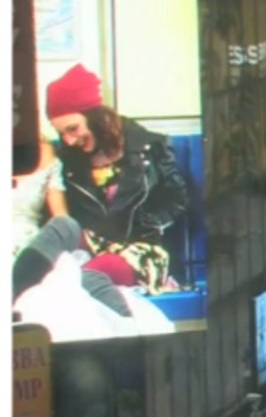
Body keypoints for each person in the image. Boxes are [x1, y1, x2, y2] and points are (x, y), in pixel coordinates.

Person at [47, 64, 191, 298]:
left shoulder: (150, 146)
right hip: (91, 246)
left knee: (85, 279)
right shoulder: (67, 160)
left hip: (140, 249)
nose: (69, 140)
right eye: (62, 133)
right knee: (56, 267)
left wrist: (147, 224)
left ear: (96, 117)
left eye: (73, 129)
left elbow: (178, 200)